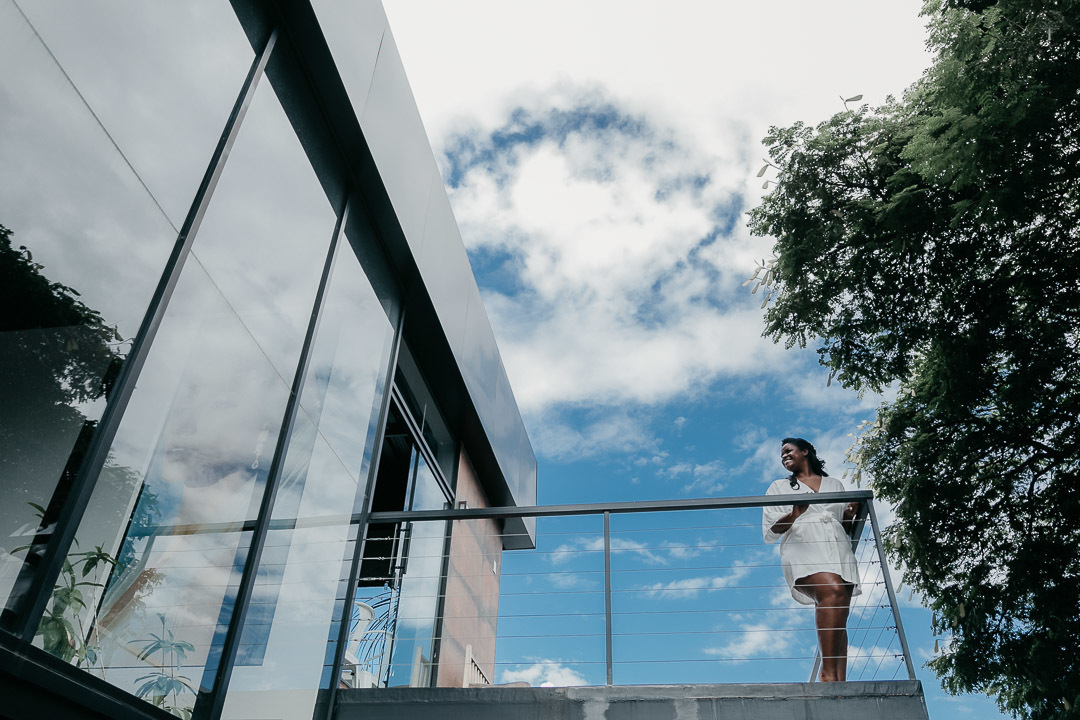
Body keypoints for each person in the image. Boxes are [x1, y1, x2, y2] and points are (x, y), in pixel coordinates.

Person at [762, 437, 861, 682]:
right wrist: (794, 514)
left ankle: (839, 683)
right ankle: (826, 674)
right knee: (833, 591)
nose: (784, 456)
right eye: (781, 454)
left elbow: (842, 526)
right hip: (803, 546)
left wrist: (849, 515)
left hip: (837, 548)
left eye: (788, 450)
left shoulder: (834, 484)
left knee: (838, 611)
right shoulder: (779, 487)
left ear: (805, 451)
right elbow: (771, 530)